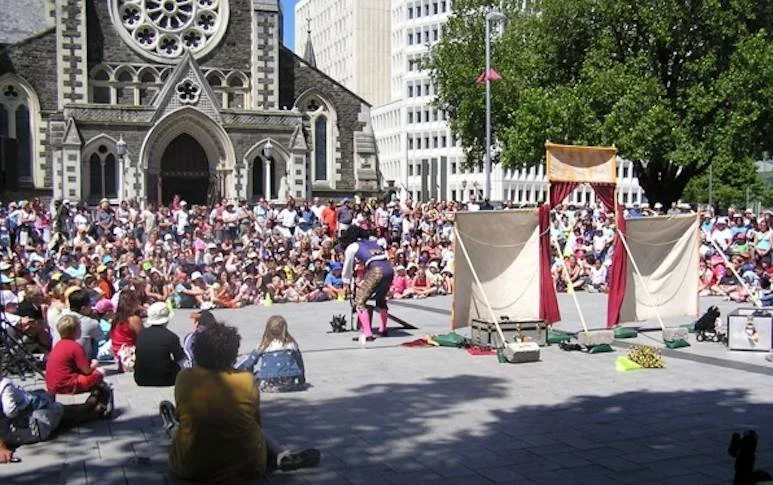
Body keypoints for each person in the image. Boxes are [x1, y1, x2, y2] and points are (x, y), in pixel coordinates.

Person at [163, 323, 320, 482]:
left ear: (198, 350)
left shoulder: (185, 377)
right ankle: (281, 455)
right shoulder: (246, 379)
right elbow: (256, 423)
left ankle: (171, 427)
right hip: (247, 466)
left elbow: (182, 415)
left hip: (191, 468)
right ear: (233, 353)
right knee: (248, 424)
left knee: (183, 427)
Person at [0, 368, 111, 463]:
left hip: (22, 427)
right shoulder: (4, 384)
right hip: (30, 424)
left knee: (64, 419)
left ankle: (96, 409)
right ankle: (93, 404)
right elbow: (11, 411)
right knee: (63, 412)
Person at [340, 226, 394, 341]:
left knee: (359, 301)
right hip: (389, 269)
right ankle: (383, 329)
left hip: (376, 270)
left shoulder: (353, 246)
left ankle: (367, 333)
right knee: (381, 299)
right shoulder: (374, 243)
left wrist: (346, 282)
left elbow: (347, 266)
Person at [237, 315, 306, 392]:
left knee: (256, 375)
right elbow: (300, 364)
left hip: (268, 380)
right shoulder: (291, 344)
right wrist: (301, 380)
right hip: (288, 380)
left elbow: (250, 362)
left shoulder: (263, 345)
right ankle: (284, 385)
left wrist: (249, 374)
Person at [45, 315, 108, 395]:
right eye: (79, 328)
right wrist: (94, 364)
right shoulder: (75, 347)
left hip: (52, 385)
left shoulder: (58, 345)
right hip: (67, 386)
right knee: (100, 372)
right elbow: (87, 370)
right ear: (75, 331)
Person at [134, 302, 184, 387]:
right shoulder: (171, 337)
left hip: (141, 379)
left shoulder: (141, 334)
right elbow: (179, 358)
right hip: (166, 380)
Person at [110, 289, 143, 372]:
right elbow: (143, 338)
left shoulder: (116, 318)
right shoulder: (133, 319)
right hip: (129, 354)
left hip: (119, 353)